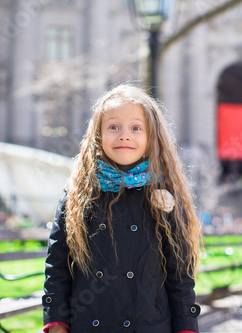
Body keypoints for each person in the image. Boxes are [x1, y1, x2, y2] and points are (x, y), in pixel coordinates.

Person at [42, 84, 202, 333]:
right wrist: (56, 323)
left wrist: (187, 327)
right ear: (98, 135)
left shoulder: (165, 195)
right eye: (113, 127)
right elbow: (57, 267)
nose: (124, 135)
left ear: (152, 138)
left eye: (136, 128)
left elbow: (180, 273)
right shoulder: (78, 193)